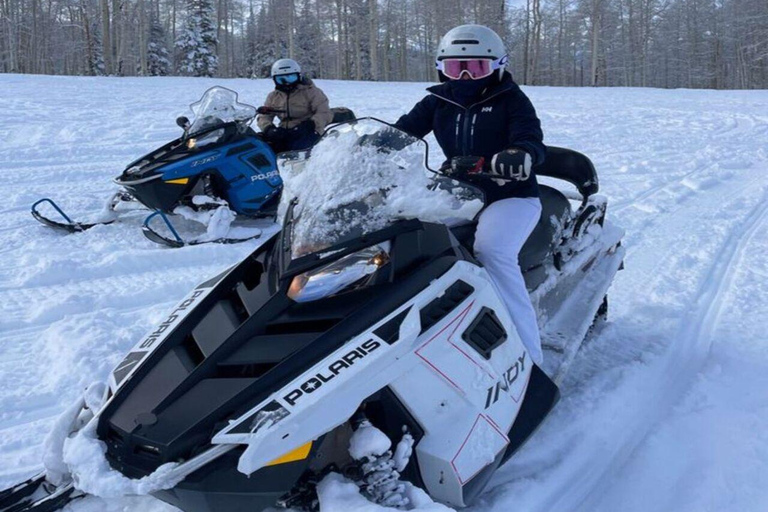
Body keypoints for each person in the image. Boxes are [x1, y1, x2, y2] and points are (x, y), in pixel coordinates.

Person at [393, 24, 547, 364]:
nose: (463, 76)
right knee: (406, 236)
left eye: (475, 67)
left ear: (498, 66)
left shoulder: (511, 100)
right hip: (458, 192)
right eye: (454, 67)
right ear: (440, 68)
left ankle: (530, 355)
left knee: (492, 251)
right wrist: (369, 144)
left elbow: (530, 137)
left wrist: (520, 154)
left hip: (510, 195)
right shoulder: (438, 101)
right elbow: (402, 132)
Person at [257, 59, 333, 153]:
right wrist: (269, 129)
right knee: (259, 146)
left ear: (299, 76)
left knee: (299, 149)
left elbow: (325, 113)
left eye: (291, 77)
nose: (286, 83)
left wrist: (310, 124)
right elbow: (264, 116)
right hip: (284, 132)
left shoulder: (312, 92)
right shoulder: (273, 96)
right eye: (281, 79)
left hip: (308, 131)